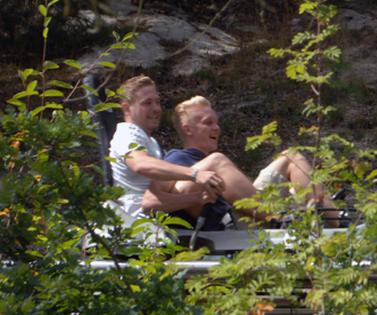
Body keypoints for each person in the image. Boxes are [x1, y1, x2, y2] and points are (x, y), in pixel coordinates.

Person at [141, 95, 330, 229]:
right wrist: (196, 197)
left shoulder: (211, 162)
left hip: (245, 211)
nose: (216, 128)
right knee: (217, 161)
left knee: (292, 157)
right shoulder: (176, 159)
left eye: (217, 122)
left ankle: (333, 219)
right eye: (208, 123)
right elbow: (149, 202)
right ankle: (278, 221)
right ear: (188, 129)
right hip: (225, 222)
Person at [107, 75, 225, 229]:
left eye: (157, 102)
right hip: (138, 226)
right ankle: (262, 215)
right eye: (147, 103)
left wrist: (198, 198)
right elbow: (141, 164)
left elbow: (154, 199)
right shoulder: (127, 134)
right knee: (216, 161)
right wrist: (195, 174)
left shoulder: (151, 142)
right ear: (126, 108)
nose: (156, 109)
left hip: (158, 221)